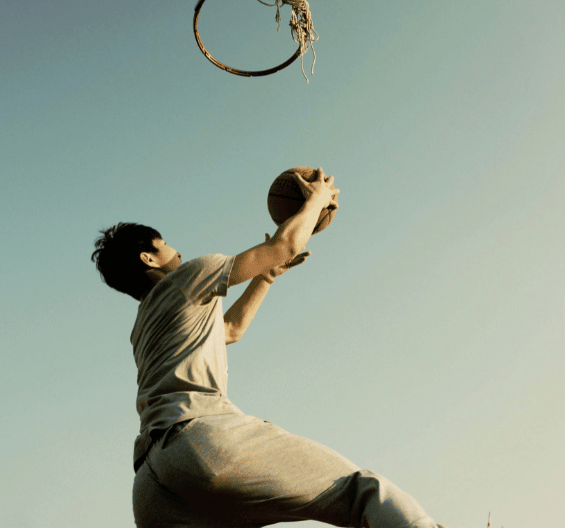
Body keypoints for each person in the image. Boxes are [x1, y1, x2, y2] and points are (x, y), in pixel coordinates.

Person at [92, 169, 444, 528]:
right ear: (149, 259)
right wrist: (317, 200)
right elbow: (284, 246)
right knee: (360, 491)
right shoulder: (190, 276)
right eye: (166, 245)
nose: (177, 251)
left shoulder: (144, 327)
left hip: (152, 484)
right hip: (200, 440)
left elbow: (230, 330)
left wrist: (266, 276)